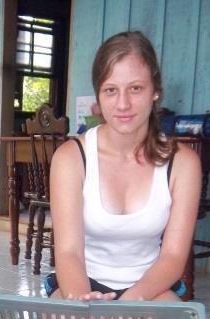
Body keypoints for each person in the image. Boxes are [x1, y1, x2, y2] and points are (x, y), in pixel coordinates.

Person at [46, 31, 201, 302]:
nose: (123, 104)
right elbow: (68, 251)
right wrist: (84, 301)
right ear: (98, 97)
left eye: (136, 88)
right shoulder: (71, 158)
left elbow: (174, 256)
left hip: (150, 288)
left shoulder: (183, 163)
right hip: (82, 282)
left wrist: (132, 301)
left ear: (155, 92)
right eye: (110, 90)